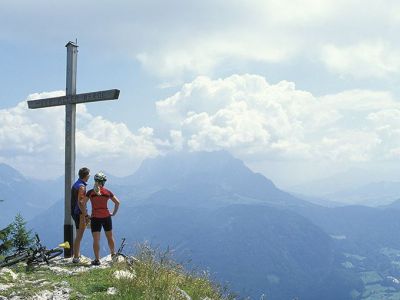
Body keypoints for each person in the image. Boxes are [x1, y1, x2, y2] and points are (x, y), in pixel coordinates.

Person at [83, 172, 120, 266]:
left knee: (96, 240)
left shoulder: (90, 192)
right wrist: (113, 213)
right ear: (103, 182)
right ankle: (113, 255)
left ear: (95, 181)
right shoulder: (107, 192)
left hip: (95, 217)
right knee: (110, 237)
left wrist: (86, 215)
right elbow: (117, 203)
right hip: (106, 217)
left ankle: (97, 260)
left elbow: (83, 203)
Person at [71, 167, 90, 263]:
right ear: (86, 176)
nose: (89, 176)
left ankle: (77, 254)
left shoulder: (76, 184)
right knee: (79, 235)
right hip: (80, 213)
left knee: (78, 234)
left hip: (74, 212)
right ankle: (76, 257)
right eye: (89, 174)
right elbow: (81, 202)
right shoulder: (82, 187)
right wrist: (85, 215)